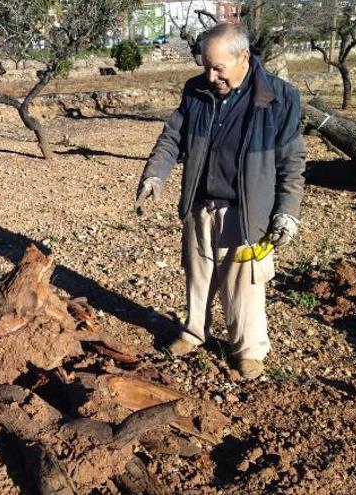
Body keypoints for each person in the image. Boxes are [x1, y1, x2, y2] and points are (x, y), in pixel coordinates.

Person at [136, 23, 306, 379]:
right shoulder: (195, 90)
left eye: (218, 68)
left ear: (243, 58)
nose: (210, 75)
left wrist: (287, 212)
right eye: (205, 67)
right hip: (201, 204)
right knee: (197, 277)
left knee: (244, 284)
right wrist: (155, 174)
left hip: (247, 210)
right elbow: (172, 137)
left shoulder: (278, 97)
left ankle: (247, 349)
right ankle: (194, 332)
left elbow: (292, 161)